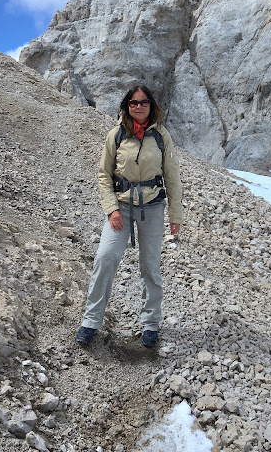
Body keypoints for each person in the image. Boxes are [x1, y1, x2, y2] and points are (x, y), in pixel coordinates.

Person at [76, 85, 182, 348]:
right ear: (127, 106)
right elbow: (104, 175)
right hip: (121, 206)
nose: (139, 106)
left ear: (151, 105)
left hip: (153, 207)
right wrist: (111, 209)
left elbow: (172, 175)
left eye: (144, 102)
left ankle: (150, 324)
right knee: (105, 257)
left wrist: (175, 213)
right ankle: (91, 321)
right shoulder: (116, 135)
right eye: (133, 103)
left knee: (150, 265)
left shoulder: (161, 136)